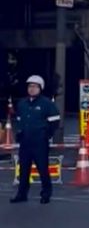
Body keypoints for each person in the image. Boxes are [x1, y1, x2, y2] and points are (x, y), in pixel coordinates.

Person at [10, 76, 60, 204]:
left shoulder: (46, 103)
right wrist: (20, 133)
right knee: (23, 169)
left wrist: (46, 135)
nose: (31, 89)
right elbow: (19, 120)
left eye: (35, 86)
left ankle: (46, 194)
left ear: (40, 88)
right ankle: (22, 194)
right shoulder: (22, 103)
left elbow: (55, 121)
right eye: (30, 86)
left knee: (42, 169)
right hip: (25, 142)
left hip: (40, 142)